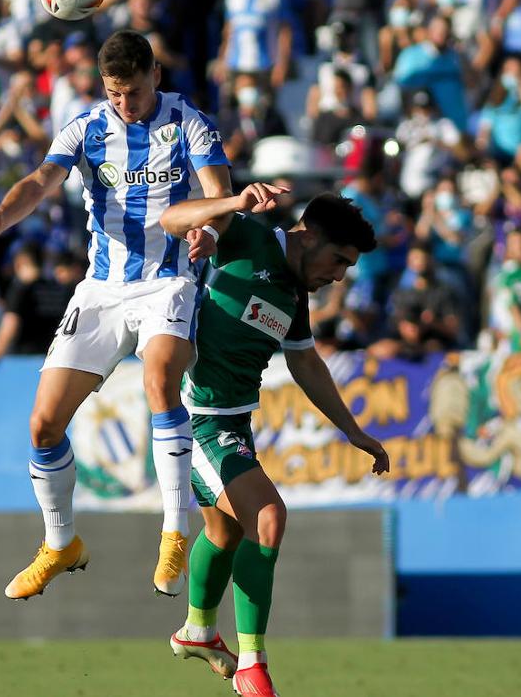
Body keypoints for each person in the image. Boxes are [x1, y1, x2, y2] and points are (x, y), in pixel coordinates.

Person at [0, 30, 232, 599]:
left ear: (155, 74)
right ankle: (61, 543)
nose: (122, 103)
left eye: (131, 91)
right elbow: (40, 180)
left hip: (167, 281)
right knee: (43, 424)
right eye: (113, 92)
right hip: (101, 291)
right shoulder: (86, 126)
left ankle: (174, 531)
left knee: (159, 380)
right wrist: (2, 217)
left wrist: (210, 230)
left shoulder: (189, 121)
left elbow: (220, 192)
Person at [158, 189, 389, 697]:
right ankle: (252, 667)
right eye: (339, 260)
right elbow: (171, 218)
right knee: (266, 517)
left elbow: (305, 363)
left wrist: (353, 431)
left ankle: (197, 631)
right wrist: (228, 205)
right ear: (309, 237)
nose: (340, 276)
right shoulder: (246, 236)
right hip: (192, 417)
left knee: (224, 535)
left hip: (234, 424)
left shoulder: (294, 295)